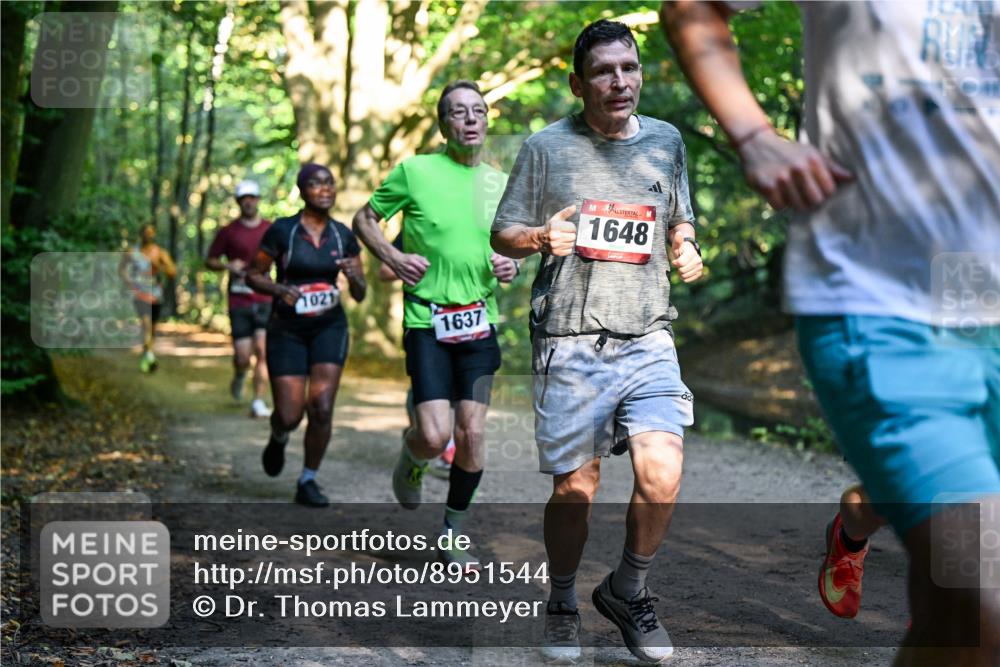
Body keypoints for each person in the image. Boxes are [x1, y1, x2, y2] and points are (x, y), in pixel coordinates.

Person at [663, 0, 999, 662]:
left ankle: (858, 518)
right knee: (980, 591)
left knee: (953, 611)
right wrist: (753, 134)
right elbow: (693, 9)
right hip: (883, 305)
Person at [491, 19, 704, 664]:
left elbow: (678, 211)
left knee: (662, 470)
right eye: (605, 71)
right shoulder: (546, 149)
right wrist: (538, 239)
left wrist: (686, 242)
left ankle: (628, 589)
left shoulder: (666, 141)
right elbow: (504, 233)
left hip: (648, 333)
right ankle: (561, 599)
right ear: (578, 82)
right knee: (575, 489)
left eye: (629, 68)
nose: (620, 82)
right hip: (572, 338)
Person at [353, 80, 516, 567]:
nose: (470, 119)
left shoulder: (499, 184)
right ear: (444, 124)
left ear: (486, 121)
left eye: (478, 111)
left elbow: (511, 247)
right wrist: (393, 256)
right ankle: (413, 457)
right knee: (432, 433)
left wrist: (512, 264)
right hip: (428, 323)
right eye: (458, 112)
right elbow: (364, 219)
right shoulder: (416, 172)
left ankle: (454, 527)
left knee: (471, 434)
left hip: (479, 324)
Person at [246, 164, 366, 508]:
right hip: (287, 328)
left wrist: (353, 276)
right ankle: (279, 435)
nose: (325, 189)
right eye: (316, 183)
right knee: (289, 413)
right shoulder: (283, 231)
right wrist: (279, 288)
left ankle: (308, 479)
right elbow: (253, 273)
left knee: (323, 407)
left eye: (330, 183)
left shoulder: (344, 235)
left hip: (329, 326)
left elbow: (360, 293)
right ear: (302, 190)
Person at [378, 230, 457, 480]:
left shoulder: (474, 217)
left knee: (457, 386)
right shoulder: (415, 225)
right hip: (424, 323)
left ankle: (449, 448)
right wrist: (421, 264)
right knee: (426, 385)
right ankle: (420, 432)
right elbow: (385, 271)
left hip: (468, 323)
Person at [206, 179, 273, 418]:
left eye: (252, 197)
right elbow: (210, 260)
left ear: (258, 200)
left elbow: (284, 256)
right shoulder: (228, 232)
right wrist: (227, 265)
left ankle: (257, 401)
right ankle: (240, 372)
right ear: (238, 202)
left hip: (265, 298)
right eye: (244, 198)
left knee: (264, 351)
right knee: (243, 355)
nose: (249, 201)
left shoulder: (270, 228)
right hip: (239, 300)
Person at [119, 224, 177, 373]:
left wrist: (158, 265)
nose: (148, 235)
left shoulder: (160, 253)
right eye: (145, 232)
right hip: (139, 294)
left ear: (154, 234)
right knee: (146, 323)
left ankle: (147, 352)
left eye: (151, 233)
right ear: (141, 234)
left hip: (155, 295)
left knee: (152, 326)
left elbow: (172, 272)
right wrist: (130, 282)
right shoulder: (132, 252)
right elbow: (121, 269)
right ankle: (150, 357)